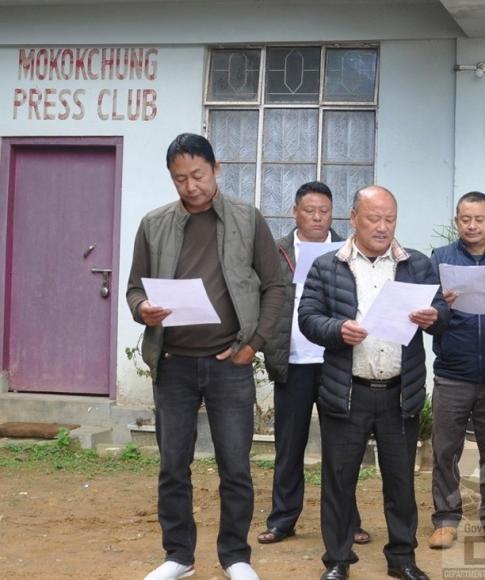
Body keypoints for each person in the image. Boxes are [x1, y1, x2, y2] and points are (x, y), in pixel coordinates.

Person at [127, 133, 285, 580]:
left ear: (216, 170)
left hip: (228, 364)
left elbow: (275, 286)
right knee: (172, 465)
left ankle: (235, 557)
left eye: (197, 175)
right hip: (172, 363)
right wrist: (143, 308)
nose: (190, 186)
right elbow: (134, 287)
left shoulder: (246, 219)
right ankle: (179, 556)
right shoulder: (154, 224)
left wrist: (253, 344)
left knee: (235, 466)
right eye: (180, 179)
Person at [299, 186, 448, 580]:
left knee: (400, 481)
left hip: (400, 390)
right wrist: (336, 329)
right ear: (353, 219)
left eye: (390, 219)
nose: (383, 227)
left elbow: (444, 313)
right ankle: (337, 561)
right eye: (373, 219)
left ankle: (402, 559)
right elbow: (307, 316)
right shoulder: (329, 265)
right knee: (339, 480)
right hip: (348, 390)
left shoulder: (416, 264)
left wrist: (435, 316)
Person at [257, 181, 370, 547]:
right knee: (289, 446)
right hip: (293, 360)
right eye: (310, 211)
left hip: (336, 359)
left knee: (342, 447)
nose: (318, 218)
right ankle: (282, 520)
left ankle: (347, 521)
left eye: (324, 211)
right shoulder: (277, 251)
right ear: (295, 212)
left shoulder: (350, 251)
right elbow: (264, 297)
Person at [428, 191, 485, 550]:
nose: (472, 225)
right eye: (465, 219)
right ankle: (446, 518)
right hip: (452, 371)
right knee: (444, 449)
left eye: (479, 219)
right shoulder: (441, 259)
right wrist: (442, 307)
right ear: (456, 221)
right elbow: (429, 320)